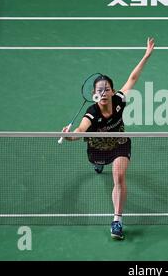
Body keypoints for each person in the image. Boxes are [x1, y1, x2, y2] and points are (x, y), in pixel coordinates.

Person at [62, 37, 155, 240]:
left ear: (112, 91)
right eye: (99, 90)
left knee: (119, 178)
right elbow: (80, 130)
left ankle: (117, 221)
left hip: (120, 143)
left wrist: (145, 56)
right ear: (94, 95)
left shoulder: (119, 100)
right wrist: (69, 137)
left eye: (107, 89)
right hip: (97, 149)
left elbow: (132, 79)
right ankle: (99, 164)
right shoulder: (92, 113)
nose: (103, 93)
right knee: (98, 164)